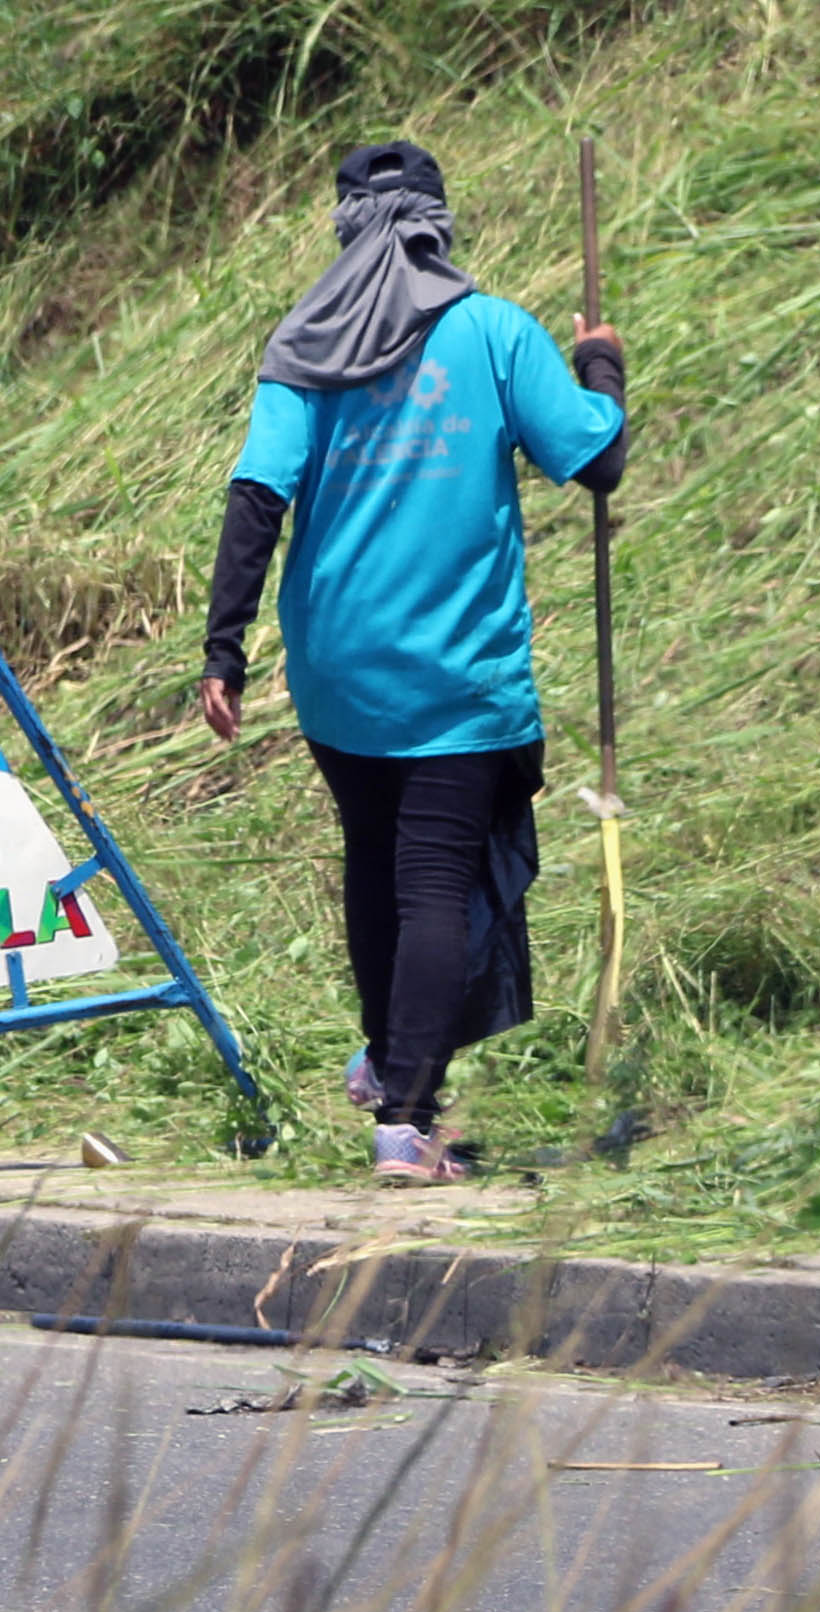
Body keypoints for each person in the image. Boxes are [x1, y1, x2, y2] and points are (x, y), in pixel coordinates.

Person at [197, 142, 627, 1184]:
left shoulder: (304, 346)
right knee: (435, 881)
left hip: (337, 674)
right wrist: (602, 363)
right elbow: (597, 456)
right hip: (453, 672)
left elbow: (257, 496)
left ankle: (394, 1059)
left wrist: (225, 648)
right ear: (437, 224)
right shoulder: (491, 332)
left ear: (346, 228)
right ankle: (404, 1118)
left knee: (377, 870)